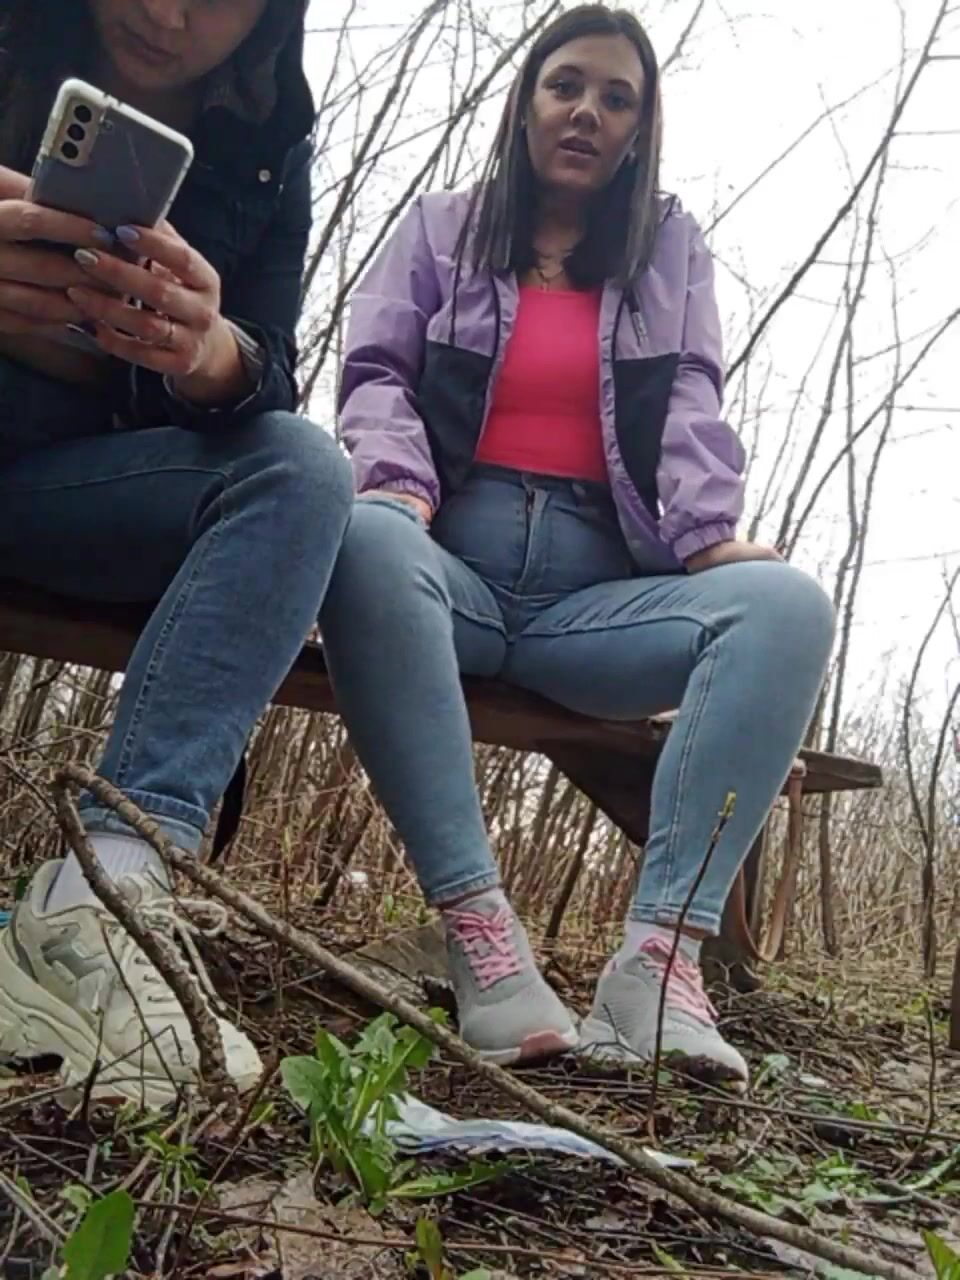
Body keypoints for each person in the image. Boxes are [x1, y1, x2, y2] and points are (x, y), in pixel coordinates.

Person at [321, 3, 835, 1086]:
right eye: (566, 86)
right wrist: (399, 487)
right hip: (446, 570)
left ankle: (658, 963)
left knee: (787, 605)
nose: (587, 112)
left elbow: (690, 393)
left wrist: (706, 535)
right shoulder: (442, 229)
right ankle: (482, 937)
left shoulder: (666, 254)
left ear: (640, 129)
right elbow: (375, 373)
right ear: (526, 104)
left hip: (590, 606)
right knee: (359, 533)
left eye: (616, 97)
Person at [0, 0, 354, 1106]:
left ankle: (103, 893)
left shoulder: (269, 138)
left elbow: (270, 362)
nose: (165, 13)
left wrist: (206, 350)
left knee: (303, 470)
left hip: (79, 485)